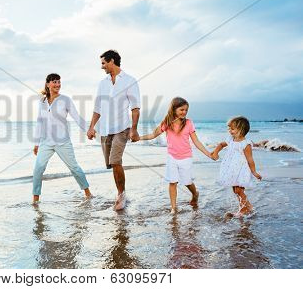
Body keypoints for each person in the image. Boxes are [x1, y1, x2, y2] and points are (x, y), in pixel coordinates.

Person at [87, 50, 140, 210]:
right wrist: (91, 127)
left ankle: (121, 195)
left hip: (122, 128)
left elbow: (135, 107)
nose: (102, 66)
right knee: (111, 164)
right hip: (105, 129)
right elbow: (97, 108)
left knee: (116, 160)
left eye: (103, 63)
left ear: (112, 62)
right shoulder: (102, 83)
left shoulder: (130, 80)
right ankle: (120, 191)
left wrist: (134, 130)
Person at [139, 97, 212, 214]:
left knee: (187, 182)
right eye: (181, 109)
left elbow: (196, 141)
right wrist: (139, 138)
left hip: (186, 157)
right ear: (174, 109)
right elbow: (153, 134)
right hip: (172, 157)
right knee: (172, 182)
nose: (184, 112)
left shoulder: (188, 123)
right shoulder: (167, 123)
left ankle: (195, 193)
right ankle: (173, 207)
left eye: (186, 110)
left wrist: (208, 153)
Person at [32, 73, 92, 203]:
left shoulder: (65, 100)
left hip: (62, 142)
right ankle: (35, 200)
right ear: (48, 84)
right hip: (46, 142)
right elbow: (39, 122)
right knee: (38, 169)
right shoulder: (42, 101)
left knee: (74, 168)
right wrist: (36, 143)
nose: (58, 85)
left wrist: (88, 130)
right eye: (54, 82)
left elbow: (76, 117)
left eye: (59, 82)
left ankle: (88, 193)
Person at [211, 116, 262, 217]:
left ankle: (243, 210)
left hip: (241, 170)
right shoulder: (231, 139)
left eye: (232, 128)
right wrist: (215, 153)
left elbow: (250, 159)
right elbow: (221, 144)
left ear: (241, 129)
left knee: (239, 190)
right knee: (235, 190)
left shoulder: (246, 144)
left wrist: (254, 172)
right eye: (229, 128)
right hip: (232, 169)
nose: (229, 130)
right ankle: (248, 207)